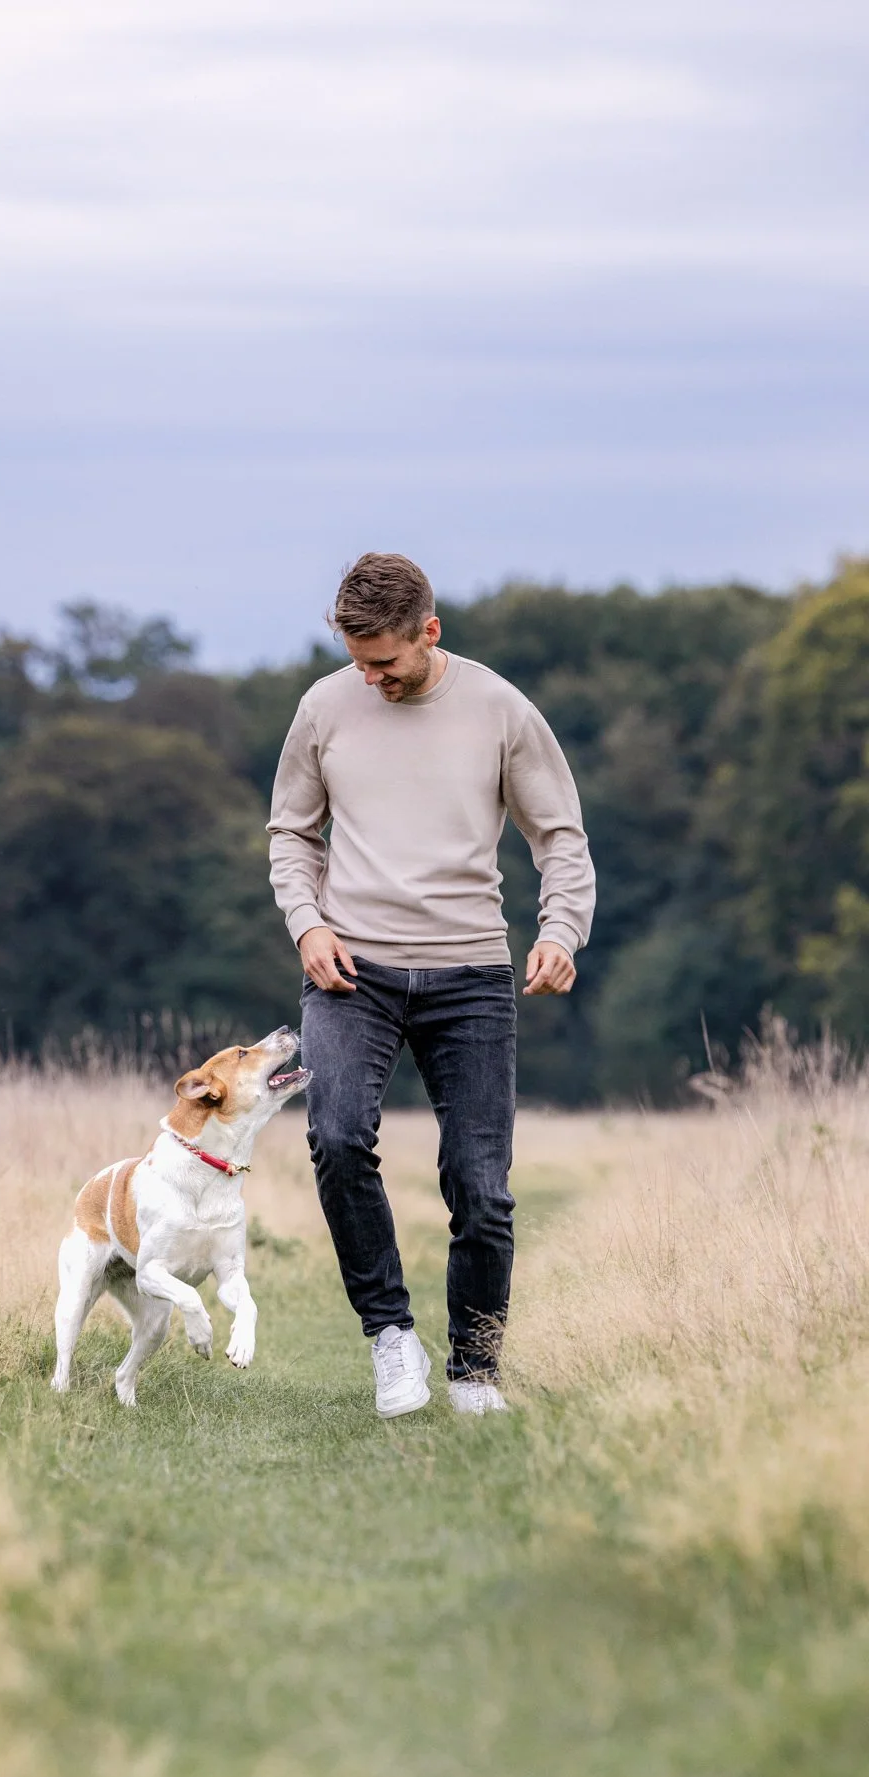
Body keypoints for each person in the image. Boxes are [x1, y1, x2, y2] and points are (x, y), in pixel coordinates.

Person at [268, 553, 595, 1418]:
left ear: (430, 632)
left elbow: (559, 836)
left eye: (387, 661)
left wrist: (561, 930)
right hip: (352, 970)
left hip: (470, 974)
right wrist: (308, 922)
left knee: (481, 1185)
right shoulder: (323, 708)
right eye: (357, 659)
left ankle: (476, 1371)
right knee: (337, 1138)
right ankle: (391, 1340)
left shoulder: (499, 709)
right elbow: (291, 834)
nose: (371, 678)